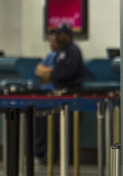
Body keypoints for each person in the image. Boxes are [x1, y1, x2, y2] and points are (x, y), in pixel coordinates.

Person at [33, 24, 85, 163]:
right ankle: (53, 156)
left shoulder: (72, 51)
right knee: (55, 128)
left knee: (68, 129)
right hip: (59, 95)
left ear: (67, 35)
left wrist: (51, 76)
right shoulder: (60, 52)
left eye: (60, 34)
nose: (57, 37)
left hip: (71, 95)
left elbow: (65, 72)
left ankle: (66, 158)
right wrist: (52, 75)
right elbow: (45, 70)